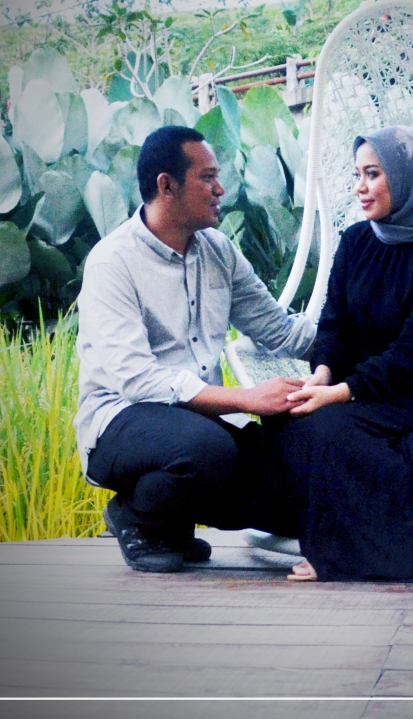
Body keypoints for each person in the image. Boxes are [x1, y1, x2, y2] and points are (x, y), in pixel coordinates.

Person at [74, 125, 315, 573]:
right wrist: (246, 399)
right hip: (120, 422)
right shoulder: (112, 261)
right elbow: (138, 380)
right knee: (207, 449)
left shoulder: (219, 251)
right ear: (167, 186)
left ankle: (171, 519)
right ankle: (136, 516)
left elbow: (279, 331)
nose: (220, 189)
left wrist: (364, 338)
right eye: (207, 177)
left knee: (293, 494)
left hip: (200, 429)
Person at [268, 125, 413, 583]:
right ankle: (326, 532)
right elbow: (334, 324)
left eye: (373, 174)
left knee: (327, 428)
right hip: (354, 386)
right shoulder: (356, 241)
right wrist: (321, 375)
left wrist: (340, 394)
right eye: (357, 175)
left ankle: (343, 552)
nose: (360, 188)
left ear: (409, 178)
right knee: (284, 419)